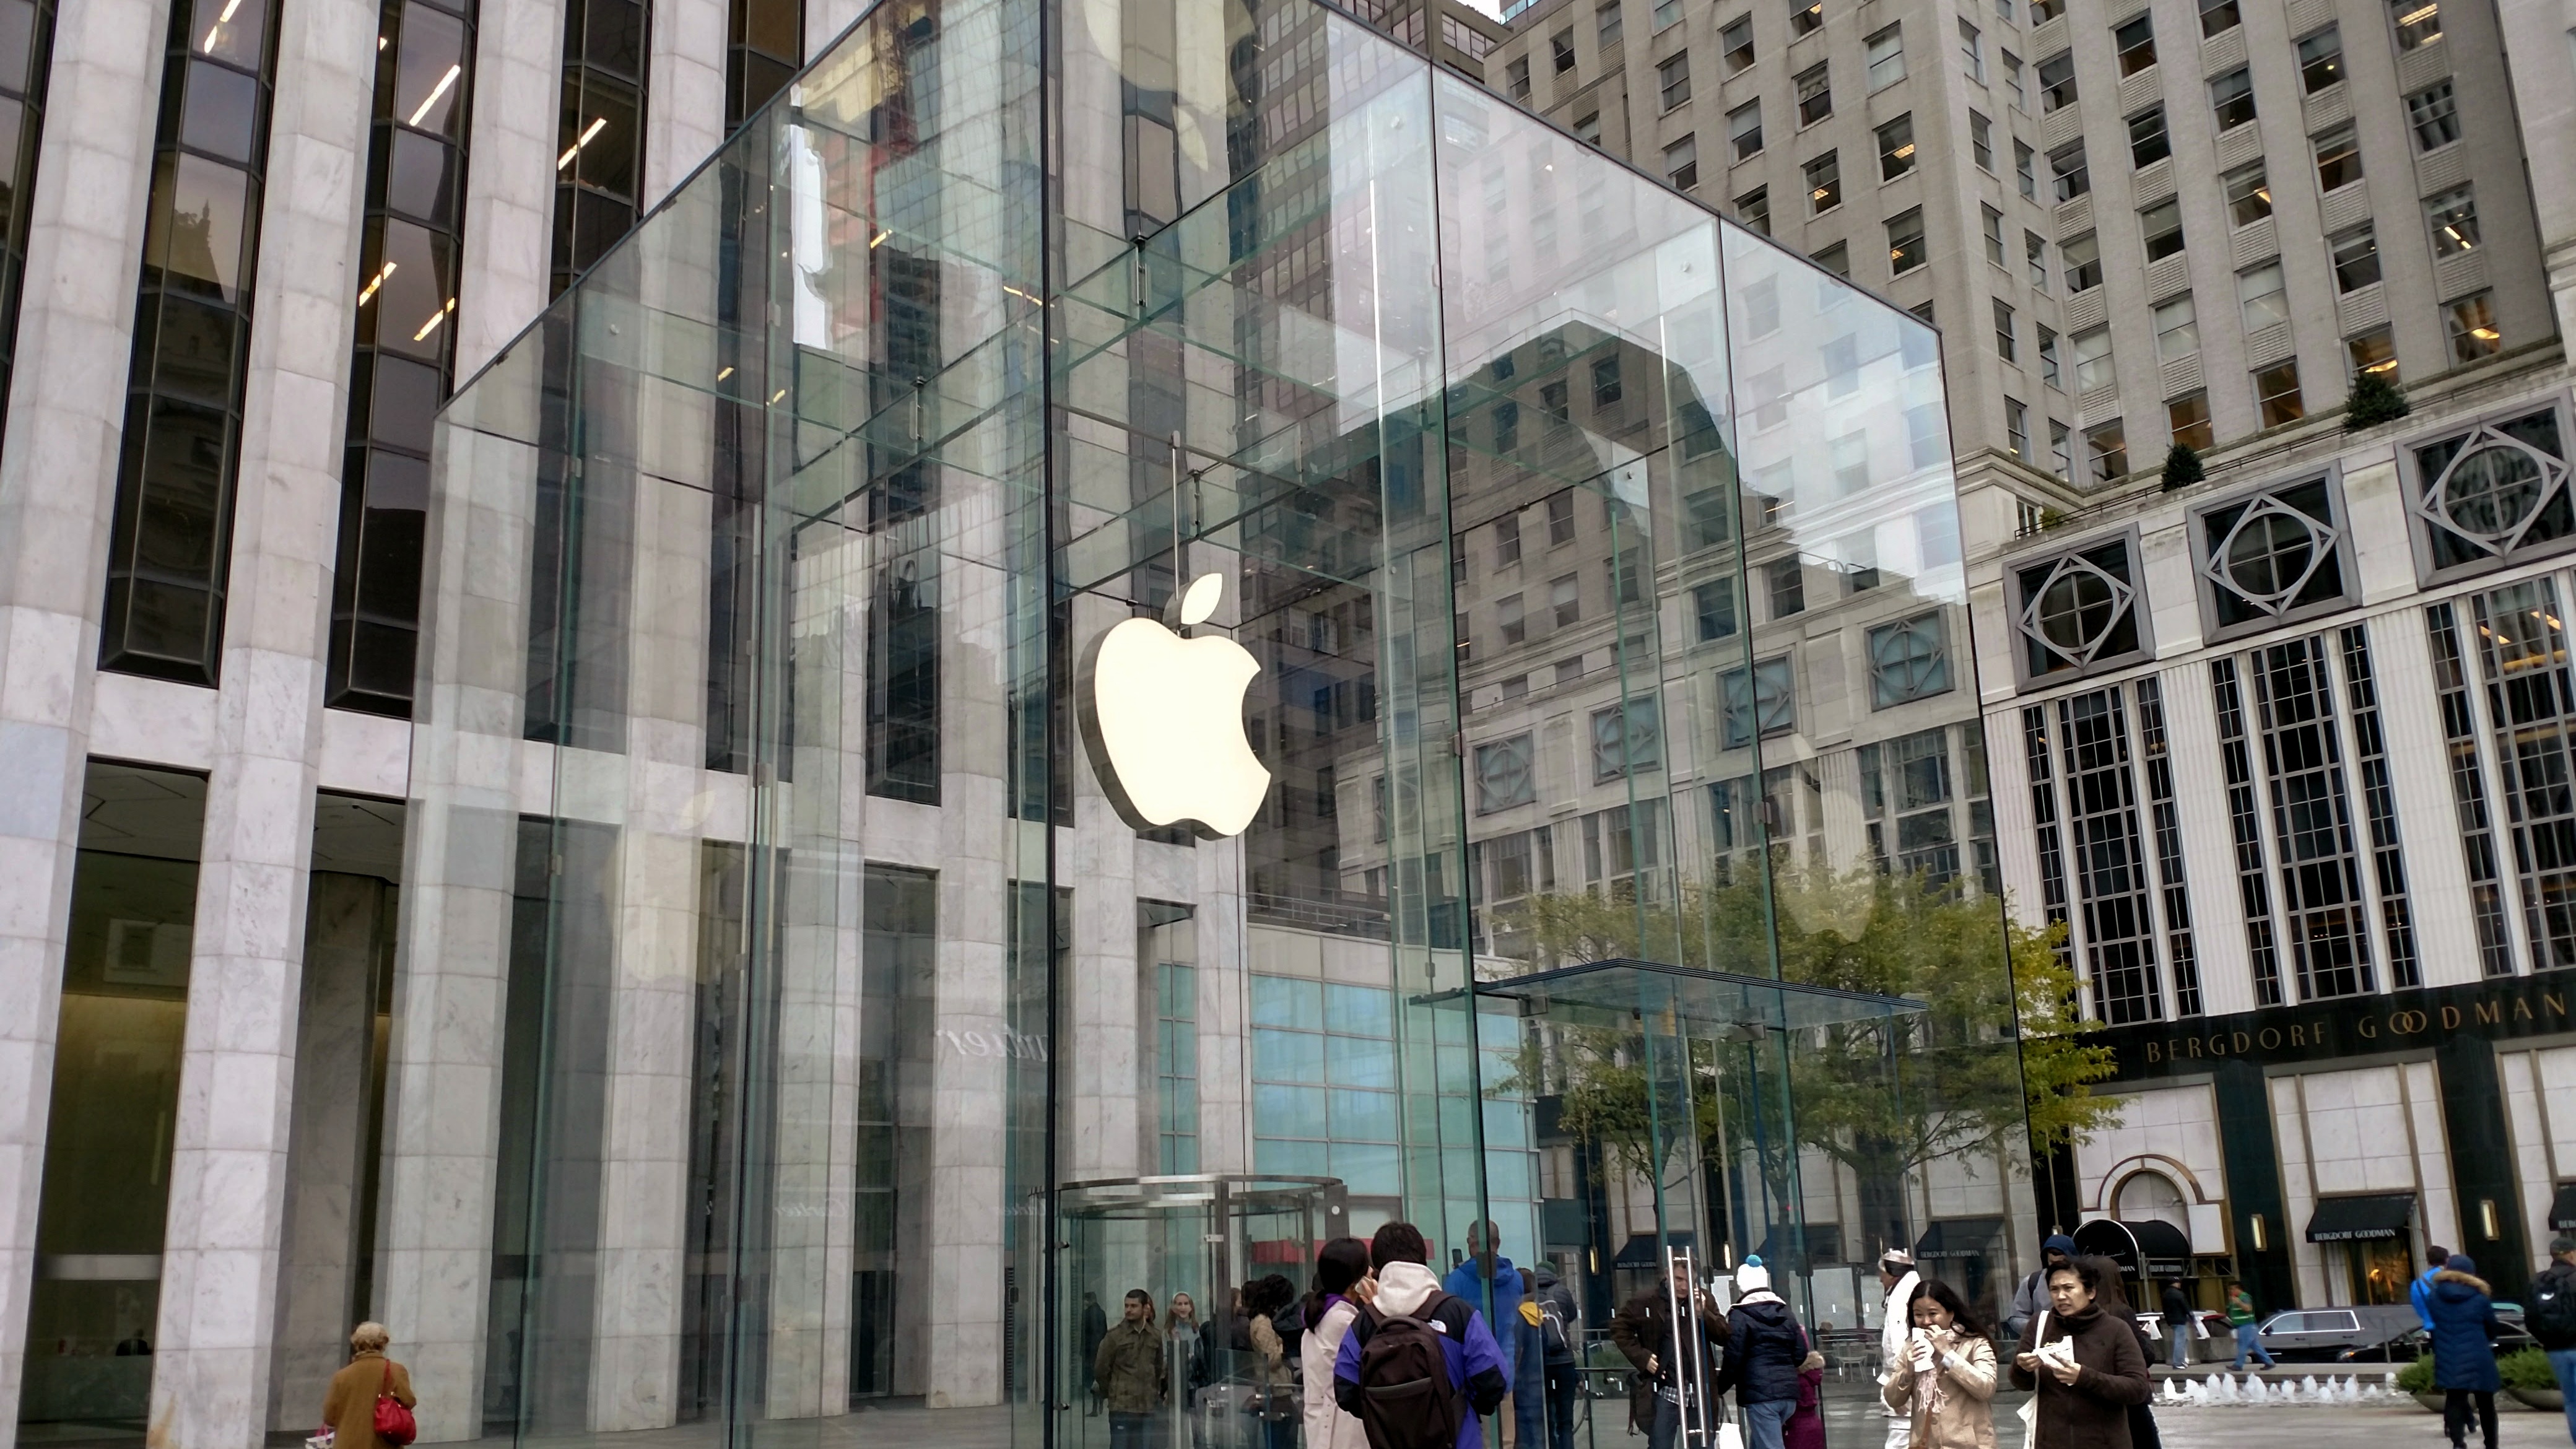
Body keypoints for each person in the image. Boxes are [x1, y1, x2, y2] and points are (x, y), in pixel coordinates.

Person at [1333, 1221, 1510, 1449]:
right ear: (1422, 1259)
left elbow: (1346, 1390)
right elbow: (1493, 1382)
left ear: (1378, 1266)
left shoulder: (1365, 1323)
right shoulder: (1457, 1313)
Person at [2009, 1257, 2149, 1449]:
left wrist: (2084, 1377)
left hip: (2103, 1442)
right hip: (2050, 1442)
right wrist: (2022, 1367)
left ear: (2090, 1292)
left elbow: (2137, 1389)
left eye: (2068, 1288)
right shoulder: (2040, 1324)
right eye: (2054, 1289)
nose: (2060, 1296)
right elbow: (2021, 1383)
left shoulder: (2115, 1329)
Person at [1608, 1251, 1730, 1449]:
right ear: (1667, 1274)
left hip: (1698, 1389)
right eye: (1678, 1279)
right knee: (1660, 1443)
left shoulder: (1704, 1298)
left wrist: (1703, 1314)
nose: (1684, 1286)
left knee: (1702, 1444)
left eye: (1689, 1280)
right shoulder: (1647, 1300)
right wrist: (1642, 1357)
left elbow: (1724, 1336)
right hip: (1665, 1389)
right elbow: (1619, 1328)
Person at [1442, 1222, 1534, 1449]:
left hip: (1467, 1377)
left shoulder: (1455, 1281)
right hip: (1504, 1374)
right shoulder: (1516, 1281)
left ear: (1470, 1243)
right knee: (1505, 1441)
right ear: (1499, 1243)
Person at [1712, 1258, 1817, 1449]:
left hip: (1761, 1395)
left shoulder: (1740, 1315)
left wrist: (1719, 1387)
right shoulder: (1786, 1312)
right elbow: (1800, 1353)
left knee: (1769, 1444)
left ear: (1742, 1285)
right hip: (1788, 1396)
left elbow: (1733, 1357)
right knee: (1761, 1442)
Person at [1881, 1279, 1998, 1449]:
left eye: (1933, 1314)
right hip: (1926, 1443)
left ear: (1950, 1314)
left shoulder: (1975, 1343)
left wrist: (1948, 1354)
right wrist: (1908, 1373)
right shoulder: (1911, 1346)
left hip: (1970, 1444)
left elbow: (1986, 1389)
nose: (1926, 1321)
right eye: (1919, 1314)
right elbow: (1893, 1399)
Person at [1303, 1238, 1377, 1449]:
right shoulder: (1344, 1322)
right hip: (1344, 1429)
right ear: (1358, 1281)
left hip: (1323, 1428)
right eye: (1367, 1268)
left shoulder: (1320, 1315)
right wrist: (1377, 1309)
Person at [2085, 1261, 2164, 1449]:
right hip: (2129, 1399)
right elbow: (2144, 1356)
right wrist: (2144, 1336)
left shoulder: (2085, 1315)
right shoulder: (2120, 1311)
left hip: (2097, 1399)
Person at [2427, 1253, 2502, 1449]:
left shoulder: (2434, 1297)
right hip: (2478, 1354)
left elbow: (2436, 1324)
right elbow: (2492, 1327)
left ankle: (2458, 1443)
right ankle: (2491, 1444)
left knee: (2455, 1400)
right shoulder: (2480, 1298)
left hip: (2448, 1354)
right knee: (2486, 1402)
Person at [322, 1321, 417, 1449]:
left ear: (356, 1344)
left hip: (348, 1444)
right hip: (384, 1444)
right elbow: (409, 1402)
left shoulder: (341, 1376)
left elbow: (330, 1417)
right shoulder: (396, 1371)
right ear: (384, 1343)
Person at [1096, 1289, 1168, 1449]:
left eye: (1134, 1306)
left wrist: (1154, 1390)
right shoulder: (1114, 1336)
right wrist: (1112, 1390)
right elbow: (1101, 1368)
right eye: (1126, 1306)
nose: (1128, 1310)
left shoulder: (1155, 1336)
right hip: (1122, 1405)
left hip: (1146, 1405)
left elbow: (1157, 1367)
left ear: (1145, 1308)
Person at [2525, 1234, 2576, 1447]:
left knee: (2571, 1401)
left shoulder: (2538, 1281)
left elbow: (2530, 1318)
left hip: (2555, 1350)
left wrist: (2545, 1340)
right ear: (2572, 1254)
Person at [1525, 1262, 1580, 1449]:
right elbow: (1572, 1315)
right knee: (1566, 1421)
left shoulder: (1529, 1297)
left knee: (1548, 1419)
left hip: (1542, 1363)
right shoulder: (1562, 1291)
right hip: (1565, 1361)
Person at [1247, 1275, 1301, 1449]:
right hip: (1275, 1389)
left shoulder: (1265, 1320)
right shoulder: (1263, 1323)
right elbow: (1271, 1359)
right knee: (1283, 1439)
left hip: (1280, 1387)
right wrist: (1284, 1343)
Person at [1876, 1250, 1923, 1449]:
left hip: (1906, 1379)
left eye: (1882, 1273)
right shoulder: (1912, 1290)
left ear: (1893, 1273)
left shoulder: (1899, 1298)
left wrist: (1900, 1388)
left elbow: (1898, 1345)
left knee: (1900, 1437)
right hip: (1913, 1377)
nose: (1880, 1279)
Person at [2006, 1237, 2078, 1343]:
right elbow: (2016, 1318)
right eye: (2052, 1262)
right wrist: (2041, 1327)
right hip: (2042, 1344)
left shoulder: (2083, 1280)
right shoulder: (2032, 1282)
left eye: (2061, 1262)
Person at [1170, 1291, 1210, 1449]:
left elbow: (1202, 1356)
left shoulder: (1198, 1330)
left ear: (1191, 1307)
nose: (1183, 1307)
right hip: (1177, 1383)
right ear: (1173, 1308)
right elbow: (1166, 1358)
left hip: (1195, 1383)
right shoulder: (1169, 1331)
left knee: (1198, 1426)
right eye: (1179, 1304)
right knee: (1178, 1426)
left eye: (1186, 1303)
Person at [2222, 1283, 2272, 1371]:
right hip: (2243, 1326)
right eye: (2229, 1290)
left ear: (2239, 1289)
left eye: (2232, 1289)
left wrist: (2238, 1302)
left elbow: (2248, 1309)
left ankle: (2238, 1365)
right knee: (2255, 1346)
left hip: (2247, 1325)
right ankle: (2269, 1362)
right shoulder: (2234, 1299)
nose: (2231, 1291)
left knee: (2242, 1345)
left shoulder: (2244, 1297)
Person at [2414, 1245, 2455, 1333]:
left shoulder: (2417, 1284)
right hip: (2452, 1324)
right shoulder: (2451, 1277)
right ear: (2447, 1260)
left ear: (2429, 1261)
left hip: (2431, 1327)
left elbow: (2419, 1307)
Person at [1084, 1292, 1111, 1417]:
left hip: (1091, 1351)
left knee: (1092, 1379)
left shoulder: (1088, 1314)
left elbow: (1086, 1335)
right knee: (1098, 1378)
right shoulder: (1102, 1313)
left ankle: (1095, 1407)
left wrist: (1083, 1351)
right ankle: (1100, 1401)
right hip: (1101, 1349)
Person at [2157, 1282, 2192, 1370]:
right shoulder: (2179, 1294)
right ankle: (2178, 1363)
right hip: (2180, 1319)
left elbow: (2164, 1309)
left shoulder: (2165, 1294)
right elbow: (2185, 1306)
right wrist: (2192, 1317)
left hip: (2172, 1321)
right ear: (2175, 1284)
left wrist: (2168, 1320)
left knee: (2179, 1340)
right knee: (2180, 1341)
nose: (2180, 1284)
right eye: (2178, 1283)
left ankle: (2181, 1361)